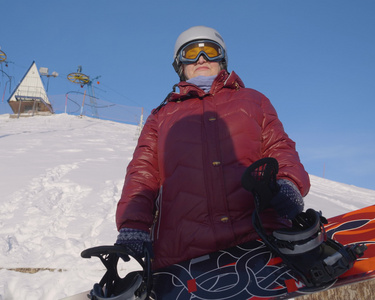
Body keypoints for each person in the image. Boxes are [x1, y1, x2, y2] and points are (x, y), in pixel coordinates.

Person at [115, 26, 310, 270]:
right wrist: (133, 223)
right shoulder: (161, 116)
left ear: (222, 59)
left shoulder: (253, 100)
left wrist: (289, 183)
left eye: (209, 50)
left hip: (258, 236)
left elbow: (279, 147)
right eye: (191, 53)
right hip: (184, 252)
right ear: (180, 65)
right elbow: (142, 173)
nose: (201, 59)